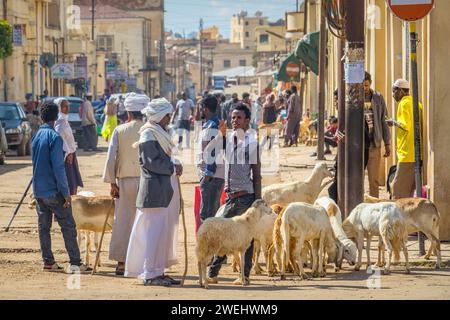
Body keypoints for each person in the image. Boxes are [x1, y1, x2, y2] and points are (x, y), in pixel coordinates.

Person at [125, 98, 183, 286]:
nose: (169, 119)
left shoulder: (158, 132)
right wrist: (172, 167)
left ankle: (158, 271)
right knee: (152, 234)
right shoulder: (148, 135)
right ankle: (149, 273)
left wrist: (174, 165)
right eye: (167, 115)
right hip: (154, 192)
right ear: (159, 115)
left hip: (162, 192)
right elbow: (152, 163)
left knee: (161, 234)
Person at [31, 101, 89, 273]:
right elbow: (59, 168)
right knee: (68, 226)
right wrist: (66, 193)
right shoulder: (55, 138)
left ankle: (48, 261)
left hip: (39, 191)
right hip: (54, 191)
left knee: (44, 227)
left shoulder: (36, 136)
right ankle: (75, 263)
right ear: (56, 117)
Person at [207, 103, 262, 286]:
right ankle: (213, 272)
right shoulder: (228, 138)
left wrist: (257, 201)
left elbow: (257, 174)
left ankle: (244, 277)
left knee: (247, 239)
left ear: (247, 120)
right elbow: (211, 152)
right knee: (222, 235)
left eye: (239, 118)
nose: (235, 121)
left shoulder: (252, 143)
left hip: (246, 196)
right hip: (231, 197)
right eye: (232, 117)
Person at [103, 93, 149, 276]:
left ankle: (122, 263)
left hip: (124, 182)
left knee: (122, 221)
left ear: (128, 113)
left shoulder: (119, 130)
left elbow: (111, 157)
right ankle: (144, 262)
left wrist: (112, 183)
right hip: (147, 181)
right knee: (145, 222)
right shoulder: (149, 129)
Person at [387, 79, 423, 199]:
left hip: (407, 154)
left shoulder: (403, 103)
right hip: (417, 153)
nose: (393, 95)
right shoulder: (416, 102)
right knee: (410, 192)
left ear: (401, 91)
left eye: (394, 91)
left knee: (397, 191)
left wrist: (393, 122)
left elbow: (405, 125)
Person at [197, 95, 225, 222]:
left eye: (201, 108)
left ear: (205, 109)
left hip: (212, 176)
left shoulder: (213, 126)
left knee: (208, 216)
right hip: (211, 175)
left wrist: (208, 173)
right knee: (209, 213)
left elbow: (213, 150)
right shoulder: (210, 124)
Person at [363, 72, 391, 197]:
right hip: (360, 146)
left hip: (375, 144)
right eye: (362, 86)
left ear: (370, 83)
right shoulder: (354, 98)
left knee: (374, 180)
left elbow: (383, 121)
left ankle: (373, 204)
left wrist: (387, 143)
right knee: (357, 180)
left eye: (367, 85)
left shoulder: (378, 98)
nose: (365, 88)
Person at [54, 98, 83, 196]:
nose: (67, 109)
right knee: (70, 183)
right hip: (66, 156)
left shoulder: (65, 120)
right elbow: (59, 137)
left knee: (74, 182)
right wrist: (68, 152)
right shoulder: (59, 121)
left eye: (68, 106)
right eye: (64, 106)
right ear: (59, 108)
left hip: (71, 154)